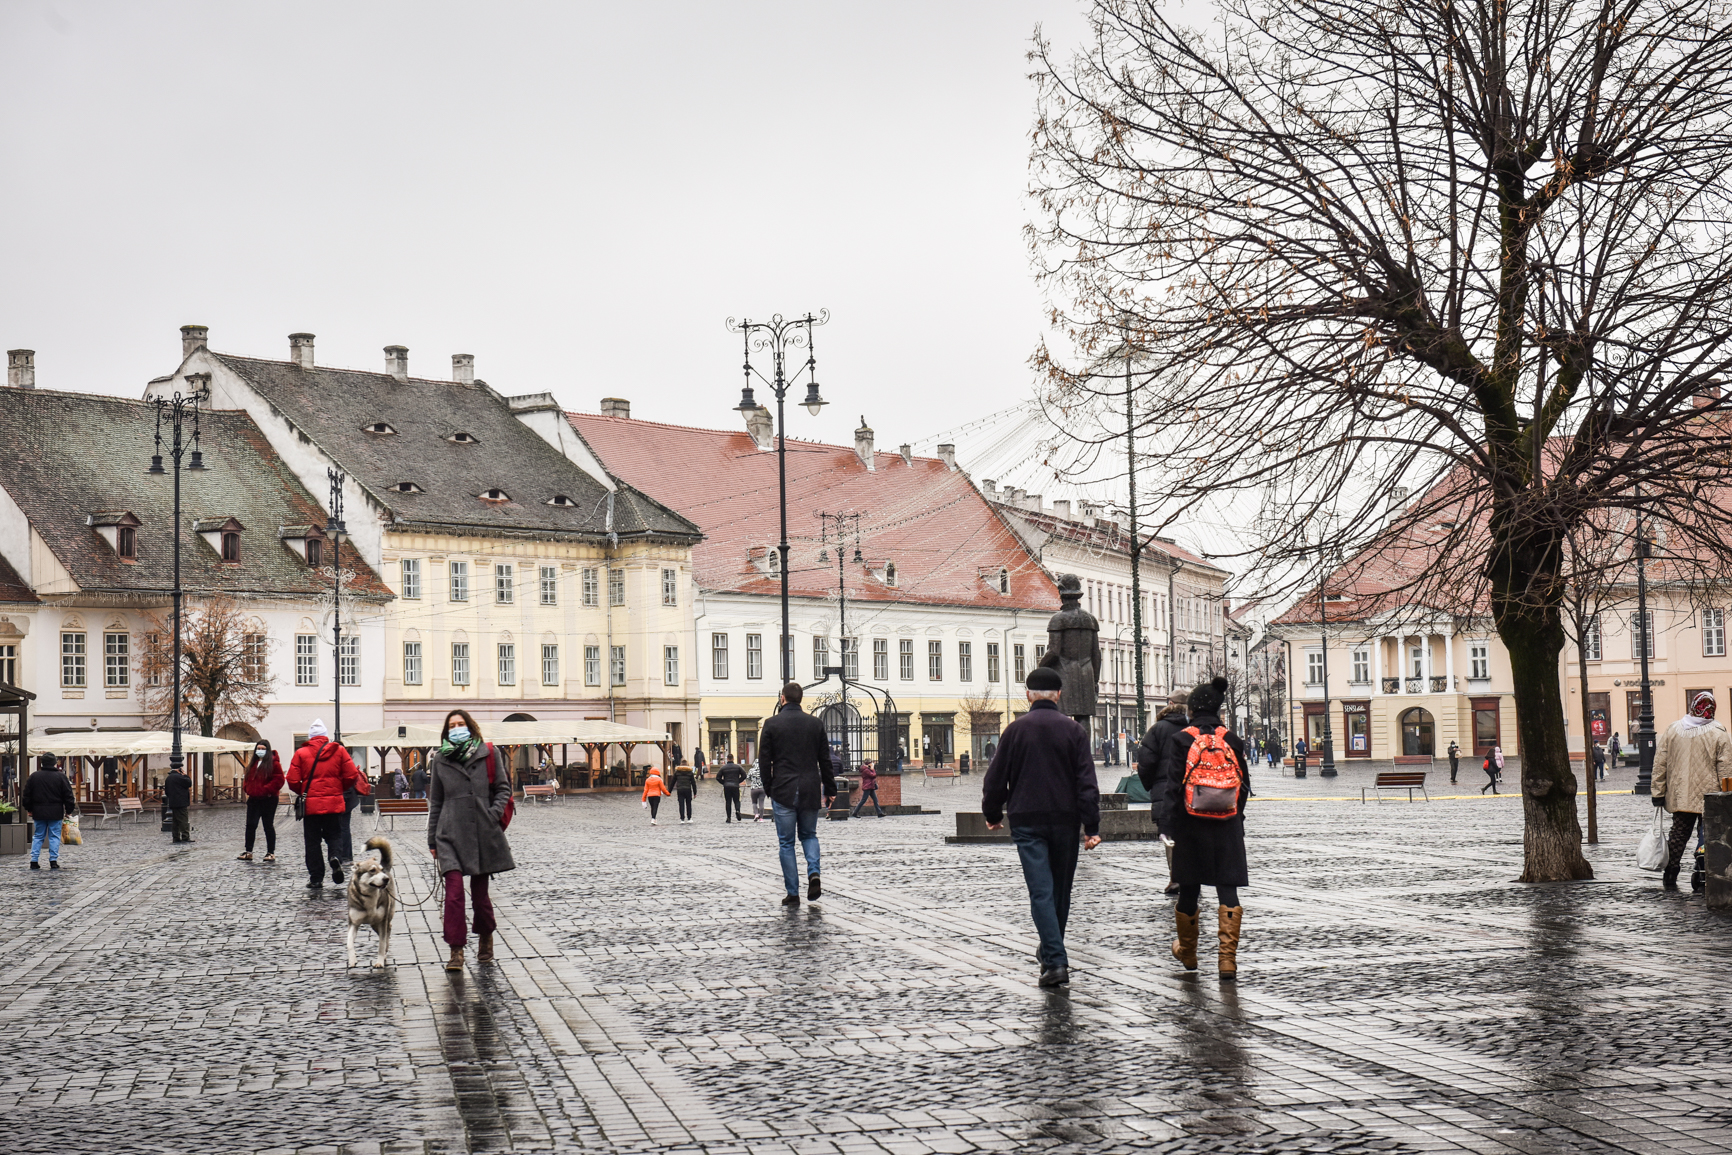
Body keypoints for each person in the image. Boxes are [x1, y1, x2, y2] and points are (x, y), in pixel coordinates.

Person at [982, 667, 1102, 988]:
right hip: (1066, 820)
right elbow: (1086, 784)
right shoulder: (1074, 732)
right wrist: (1091, 826)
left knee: (1041, 891)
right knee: (1060, 891)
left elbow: (995, 780)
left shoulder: (1014, 731)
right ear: (1059, 695)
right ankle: (1052, 951)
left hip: (1027, 821)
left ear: (1028, 695)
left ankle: (1055, 959)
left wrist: (993, 813)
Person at [1161, 676, 1250, 981]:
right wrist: (1235, 817)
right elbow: (1244, 786)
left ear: (1192, 709)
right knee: (1228, 888)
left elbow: (1174, 787)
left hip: (1191, 825)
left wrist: (1170, 826)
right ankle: (1227, 961)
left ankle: (1188, 953)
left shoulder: (1182, 740)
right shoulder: (1232, 740)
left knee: (1189, 889)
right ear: (1218, 709)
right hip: (1227, 826)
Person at [427, 710, 515, 971]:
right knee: (454, 895)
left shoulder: (488, 752)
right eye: (452, 725)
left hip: (481, 832)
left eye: (460, 724)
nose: (456, 728)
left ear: (470, 726)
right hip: (449, 834)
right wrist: (432, 839)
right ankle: (456, 950)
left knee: (480, 896)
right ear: (446, 730)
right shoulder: (440, 759)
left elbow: (503, 788)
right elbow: (436, 802)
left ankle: (486, 938)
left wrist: (493, 813)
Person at [758, 681, 836, 906]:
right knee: (809, 835)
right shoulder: (815, 723)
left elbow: (765, 761)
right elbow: (825, 760)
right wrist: (829, 789)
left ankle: (793, 893)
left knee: (786, 843)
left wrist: (769, 786)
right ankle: (814, 873)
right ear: (801, 699)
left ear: (782, 698)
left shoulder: (771, 724)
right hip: (810, 788)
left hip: (783, 789)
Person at [1652, 691, 1732, 891]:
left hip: (1681, 796)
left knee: (1678, 834)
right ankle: (1703, 869)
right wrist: (1728, 793)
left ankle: (1671, 873)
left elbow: (1660, 763)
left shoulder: (1673, 730)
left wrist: (1658, 792)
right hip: (1711, 797)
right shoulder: (1719, 733)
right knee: (1707, 833)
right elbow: (1726, 768)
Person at [287, 718, 363, 891]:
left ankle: (316, 878)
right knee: (335, 835)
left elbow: (291, 779)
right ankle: (335, 857)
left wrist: (304, 791)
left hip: (311, 807)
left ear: (311, 736)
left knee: (312, 842)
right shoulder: (339, 751)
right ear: (325, 736)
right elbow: (352, 775)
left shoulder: (301, 753)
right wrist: (338, 788)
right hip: (333, 804)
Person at [1137, 689, 1191, 896]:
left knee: (1170, 834)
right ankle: (1192, 876)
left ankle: (1175, 877)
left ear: (1169, 704)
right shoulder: (1194, 728)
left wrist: (1150, 785)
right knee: (1191, 832)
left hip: (1165, 789)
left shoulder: (1157, 729)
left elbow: (1146, 761)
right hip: (1193, 790)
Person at [21, 753, 75, 870]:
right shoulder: (61, 777)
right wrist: (69, 810)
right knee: (54, 836)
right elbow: (68, 795)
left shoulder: (34, 777)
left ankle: (34, 860)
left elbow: (26, 795)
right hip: (55, 812)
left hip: (38, 811)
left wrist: (29, 809)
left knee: (38, 836)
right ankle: (53, 860)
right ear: (55, 763)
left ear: (42, 762)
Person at [239, 739, 285, 861]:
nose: (260, 751)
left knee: (268, 825)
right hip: (254, 799)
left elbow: (279, 780)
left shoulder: (274, 764)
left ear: (267, 750)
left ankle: (270, 852)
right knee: (250, 825)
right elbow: (248, 779)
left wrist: (265, 789)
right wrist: (247, 788)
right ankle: (248, 851)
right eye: (258, 749)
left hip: (268, 799)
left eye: (263, 749)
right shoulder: (253, 764)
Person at [163, 761, 194, 843]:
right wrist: (185, 775)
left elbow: (166, 791)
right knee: (183, 820)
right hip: (181, 802)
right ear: (179, 769)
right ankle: (185, 837)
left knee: (175, 821)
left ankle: (176, 837)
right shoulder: (180, 777)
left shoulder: (169, 778)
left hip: (173, 802)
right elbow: (189, 783)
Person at [715, 756, 747, 822]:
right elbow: (744, 775)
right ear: (733, 759)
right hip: (735, 786)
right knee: (737, 800)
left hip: (727, 786)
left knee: (728, 802)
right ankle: (737, 810)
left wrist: (724, 782)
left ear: (727, 759)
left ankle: (728, 817)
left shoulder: (723, 767)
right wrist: (738, 781)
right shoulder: (738, 767)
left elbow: (718, 777)